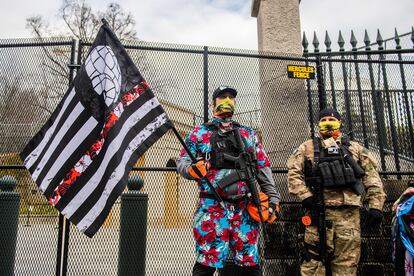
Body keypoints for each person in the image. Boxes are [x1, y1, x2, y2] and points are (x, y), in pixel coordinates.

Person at [177, 86, 280, 276]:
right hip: (211, 206)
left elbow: (263, 167)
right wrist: (191, 170)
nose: (227, 100)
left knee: (250, 263)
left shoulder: (248, 134)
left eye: (230, 97)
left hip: (245, 207)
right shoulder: (199, 133)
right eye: (222, 97)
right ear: (213, 103)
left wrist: (273, 198)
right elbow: (182, 162)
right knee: (206, 263)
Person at [286, 107, 386, 276]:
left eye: (332, 119)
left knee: (346, 268)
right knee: (313, 267)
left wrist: (376, 206)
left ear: (340, 122)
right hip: (318, 215)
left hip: (349, 217)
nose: (327, 123)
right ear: (317, 124)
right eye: (323, 120)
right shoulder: (307, 147)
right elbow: (293, 174)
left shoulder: (356, 149)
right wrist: (305, 196)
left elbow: (372, 177)